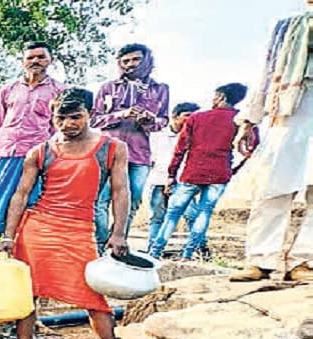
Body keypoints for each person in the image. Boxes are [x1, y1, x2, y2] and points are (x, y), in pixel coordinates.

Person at [1, 88, 132, 339]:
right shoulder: (40, 151)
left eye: (76, 117)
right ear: (52, 117)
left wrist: (119, 232)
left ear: (90, 115)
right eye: (61, 117)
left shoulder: (112, 148)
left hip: (80, 230)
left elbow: (121, 191)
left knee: (93, 299)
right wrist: (9, 236)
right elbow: (21, 194)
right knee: (27, 295)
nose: (68, 124)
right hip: (38, 230)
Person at [232, 2, 313, 283]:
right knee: (272, 188)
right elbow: (266, 74)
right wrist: (249, 121)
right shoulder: (287, 27)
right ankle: (260, 260)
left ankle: (304, 261)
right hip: (290, 113)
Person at [154, 84, 249, 260]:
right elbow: (251, 149)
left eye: (215, 96)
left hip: (193, 172)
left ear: (221, 97)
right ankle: (188, 253)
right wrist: (233, 170)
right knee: (204, 212)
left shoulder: (197, 118)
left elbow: (180, 149)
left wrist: (171, 175)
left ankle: (155, 251)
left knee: (172, 214)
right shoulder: (242, 121)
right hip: (220, 174)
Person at [0, 42, 65, 241]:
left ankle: (20, 239)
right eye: (30, 57)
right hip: (5, 150)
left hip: (36, 152)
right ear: (22, 62)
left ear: (50, 60)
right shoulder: (8, 89)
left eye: (40, 57)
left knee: (30, 196)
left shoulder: (59, 91)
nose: (35, 61)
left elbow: (57, 125)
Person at [91, 44, 169, 254]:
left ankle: (119, 243)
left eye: (135, 60)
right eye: (125, 61)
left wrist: (148, 119)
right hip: (107, 152)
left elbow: (163, 121)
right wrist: (121, 114)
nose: (130, 65)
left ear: (147, 61)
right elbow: (94, 119)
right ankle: (100, 245)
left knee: (132, 201)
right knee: (101, 201)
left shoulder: (160, 89)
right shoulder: (108, 88)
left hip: (139, 154)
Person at [146, 102, 201, 253]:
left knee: (191, 215)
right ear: (175, 117)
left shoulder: (195, 138)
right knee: (157, 217)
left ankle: (199, 248)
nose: (192, 119)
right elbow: (151, 159)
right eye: (188, 116)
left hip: (183, 183)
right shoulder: (157, 135)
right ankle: (153, 249)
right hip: (158, 181)